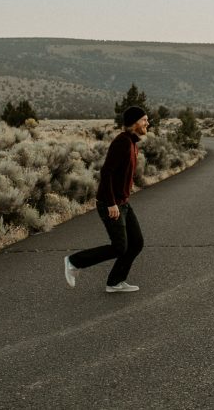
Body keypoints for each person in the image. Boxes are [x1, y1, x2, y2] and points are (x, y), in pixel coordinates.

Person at [63, 106, 149, 293]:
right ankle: (74, 261)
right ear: (135, 123)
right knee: (120, 247)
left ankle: (115, 282)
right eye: (144, 120)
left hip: (123, 202)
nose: (147, 123)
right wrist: (111, 202)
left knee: (136, 243)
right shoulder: (122, 142)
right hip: (111, 203)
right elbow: (106, 172)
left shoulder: (132, 142)